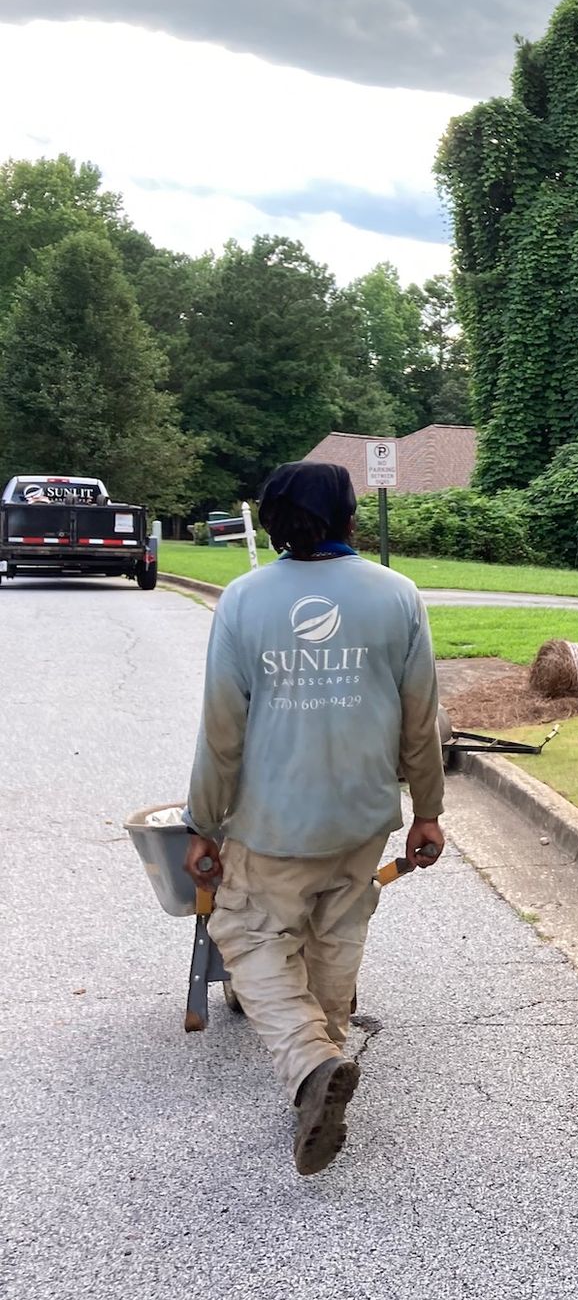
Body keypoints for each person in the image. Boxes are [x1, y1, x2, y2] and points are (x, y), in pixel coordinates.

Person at [183, 461, 445, 1175]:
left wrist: (202, 823)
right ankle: (323, 1067)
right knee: (338, 929)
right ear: (352, 518)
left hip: (272, 825)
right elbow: (422, 722)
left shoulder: (243, 601)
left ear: (271, 524)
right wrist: (427, 813)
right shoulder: (397, 596)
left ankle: (310, 1064)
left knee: (247, 931)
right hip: (362, 819)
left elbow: (221, 731)